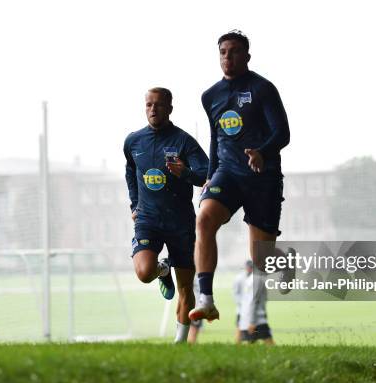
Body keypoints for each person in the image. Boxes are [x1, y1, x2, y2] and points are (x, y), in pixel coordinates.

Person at [189, 30, 290, 322]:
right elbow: (214, 137)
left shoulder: (263, 89)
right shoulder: (210, 96)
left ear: (246, 55)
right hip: (227, 174)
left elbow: (282, 133)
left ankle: (284, 260)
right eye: (222, 51)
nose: (227, 57)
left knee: (261, 260)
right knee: (204, 219)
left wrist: (262, 151)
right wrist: (210, 175)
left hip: (263, 178)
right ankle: (206, 299)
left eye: (233, 51)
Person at [124, 87, 209, 343]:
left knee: (185, 289)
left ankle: (180, 344)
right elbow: (130, 171)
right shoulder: (133, 141)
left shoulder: (183, 141)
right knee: (143, 273)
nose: (153, 110)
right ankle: (163, 270)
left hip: (180, 223)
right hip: (148, 220)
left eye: (159, 105)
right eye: (148, 105)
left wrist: (185, 172)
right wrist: (134, 205)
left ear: (170, 108)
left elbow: (205, 174)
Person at [237, 261, 274, 344]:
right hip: (257, 320)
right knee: (270, 343)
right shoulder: (257, 279)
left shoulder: (252, 278)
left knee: (251, 343)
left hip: (249, 318)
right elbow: (254, 301)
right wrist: (252, 322)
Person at [232, 260, 253, 343]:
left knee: (253, 328)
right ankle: (237, 345)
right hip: (241, 309)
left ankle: (251, 345)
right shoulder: (239, 278)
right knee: (239, 327)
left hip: (252, 309)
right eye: (248, 268)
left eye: (251, 268)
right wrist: (242, 303)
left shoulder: (255, 278)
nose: (249, 269)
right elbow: (235, 293)